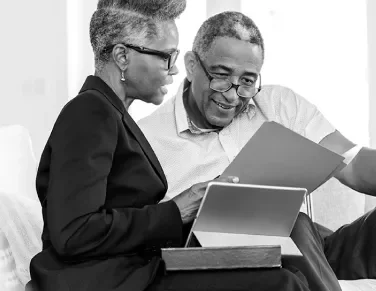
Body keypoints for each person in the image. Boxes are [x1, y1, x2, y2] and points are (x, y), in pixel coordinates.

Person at [138, 11, 376, 291]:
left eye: (248, 81)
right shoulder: (149, 140)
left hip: (309, 247)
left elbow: (351, 160)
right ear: (193, 65)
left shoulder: (279, 104)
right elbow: (147, 243)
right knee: (283, 217)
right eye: (221, 77)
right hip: (231, 266)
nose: (234, 94)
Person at [27, 2, 310, 291]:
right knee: (281, 283)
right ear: (122, 56)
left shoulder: (113, 115)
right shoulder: (89, 111)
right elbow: (73, 232)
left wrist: (207, 212)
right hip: (107, 280)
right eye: (166, 56)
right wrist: (176, 210)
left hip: (136, 271)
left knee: (285, 270)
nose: (174, 70)